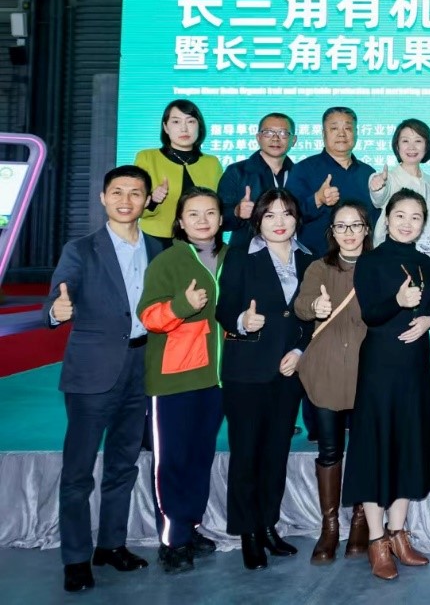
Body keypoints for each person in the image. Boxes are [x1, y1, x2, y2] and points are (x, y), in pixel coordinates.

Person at [47, 166, 162, 592]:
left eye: (135, 193)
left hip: (141, 367)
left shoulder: (158, 247)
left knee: (122, 464)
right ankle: (76, 558)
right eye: (117, 192)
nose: (126, 200)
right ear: (102, 197)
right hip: (92, 372)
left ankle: (111, 544)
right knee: (78, 471)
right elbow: (59, 295)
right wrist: (57, 311)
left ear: (147, 200)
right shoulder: (81, 249)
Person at [215, 188, 315, 570]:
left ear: (297, 219)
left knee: (276, 453)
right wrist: (244, 320)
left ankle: (269, 524)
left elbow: (312, 318)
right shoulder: (241, 256)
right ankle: (248, 533)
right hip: (247, 371)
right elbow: (225, 308)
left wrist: (300, 351)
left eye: (286, 214)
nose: (279, 222)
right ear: (257, 220)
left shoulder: (309, 260)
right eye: (270, 214)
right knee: (247, 454)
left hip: (289, 373)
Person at [344, 190, 430, 581]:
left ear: (424, 223)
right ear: (387, 218)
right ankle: (376, 539)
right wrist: (398, 300)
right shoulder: (370, 261)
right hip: (379, 369)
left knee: (407, 447)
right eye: (400, 215)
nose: (407, 223)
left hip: (414, 367)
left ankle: (399, 534)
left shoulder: (425, 262)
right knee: (375, 447)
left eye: (416, 217)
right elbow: (370, 313)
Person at [137, 187, 228, 574]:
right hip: (174, 378)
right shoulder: (168, 260)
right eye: (193, 214)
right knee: (171, 460)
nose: (202, 220)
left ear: (221, 219)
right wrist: (181, 306)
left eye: (210, 213)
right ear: (180, 221)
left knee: (199, 457)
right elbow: (148, 316)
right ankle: (172, 540)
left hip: (217, 380)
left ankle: (189, 527)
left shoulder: (231, 257)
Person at [294, 200, 373, 564]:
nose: (349, 233)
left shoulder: (377, 266)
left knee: (363, 448)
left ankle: (360, 520)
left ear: (366, 229)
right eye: (341, 226)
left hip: (367, 372)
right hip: (325, 370)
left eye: (355, 225)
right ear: (332, 232)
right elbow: (302, 304)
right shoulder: (318, 267)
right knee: (329, 449)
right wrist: (316, 308)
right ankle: (330, 527)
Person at [134, 100, 224, 247]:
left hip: (202, 241)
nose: (184, 128)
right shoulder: (147, 158)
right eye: (176, 121)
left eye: (190, 121)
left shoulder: (212, 163)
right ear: (166, 127)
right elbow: (134, 206)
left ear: (199, 126)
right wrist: (153, 200)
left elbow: (220, 206)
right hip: (157, 241)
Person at [287, 106, 377, 253]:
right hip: (316, 259)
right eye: (334, 128)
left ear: (356, 133)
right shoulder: (303, 169)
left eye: (348, 128)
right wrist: (317, 199)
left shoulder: (368, 173)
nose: (341, 134)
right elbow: (288, 215)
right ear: (323, 134)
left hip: (362, 259)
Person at [217, 112, 297, 249]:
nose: (275, 139)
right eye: (268, 133)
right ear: (258, 137)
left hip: (291, 252)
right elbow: (217, 218)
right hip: (247, 252)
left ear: (293, 140)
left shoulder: (301, 174)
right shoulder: (237, 172)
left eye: (283, 133)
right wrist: (236, 212)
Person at [369, 118, 430, 261]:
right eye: (405, 141)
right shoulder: (389, 178)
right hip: (391, 257)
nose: (411, 147)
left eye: (418, 141)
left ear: (427, 146)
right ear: (397, 146)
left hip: (426, 258)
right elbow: (379, 197)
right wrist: (377, 187)